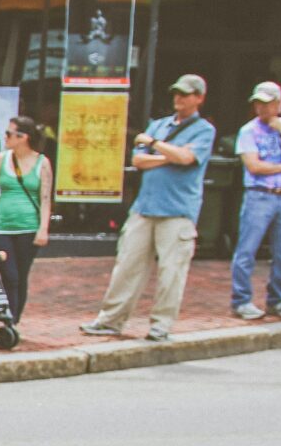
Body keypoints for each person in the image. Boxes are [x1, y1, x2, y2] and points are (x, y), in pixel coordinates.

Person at [82, 74, 214, 341]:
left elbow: (187, 158)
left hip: (178, 211)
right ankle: (111, 320)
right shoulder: (160, 124)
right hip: (144, 207)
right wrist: (169, 156)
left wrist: (155, 146)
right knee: (127, 266)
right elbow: (139, 160)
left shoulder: (204, 130)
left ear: (199, 98)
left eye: (186, 94)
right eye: (176, 93)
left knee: (171, 272)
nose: (179, 98)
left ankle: (161, 325)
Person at [0, 116, 55, 322]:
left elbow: (45, 198)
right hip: (3, 226)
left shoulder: (42, 163)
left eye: (9, 133)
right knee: (9, 274)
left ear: (23, 137)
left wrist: (44, 228)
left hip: (28, 227)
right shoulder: (1, 159)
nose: (5, 137)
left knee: (20, 276)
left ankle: (13, 320)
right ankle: (8, 317)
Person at [227, 82, 281, 320]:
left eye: (268, 103)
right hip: (258, 194)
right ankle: (241, 301)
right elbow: (254, 166)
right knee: (247, 250)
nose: (262, 108)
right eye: (258, 103)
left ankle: (277, 300)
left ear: (280, 104)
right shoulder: (248, 130)